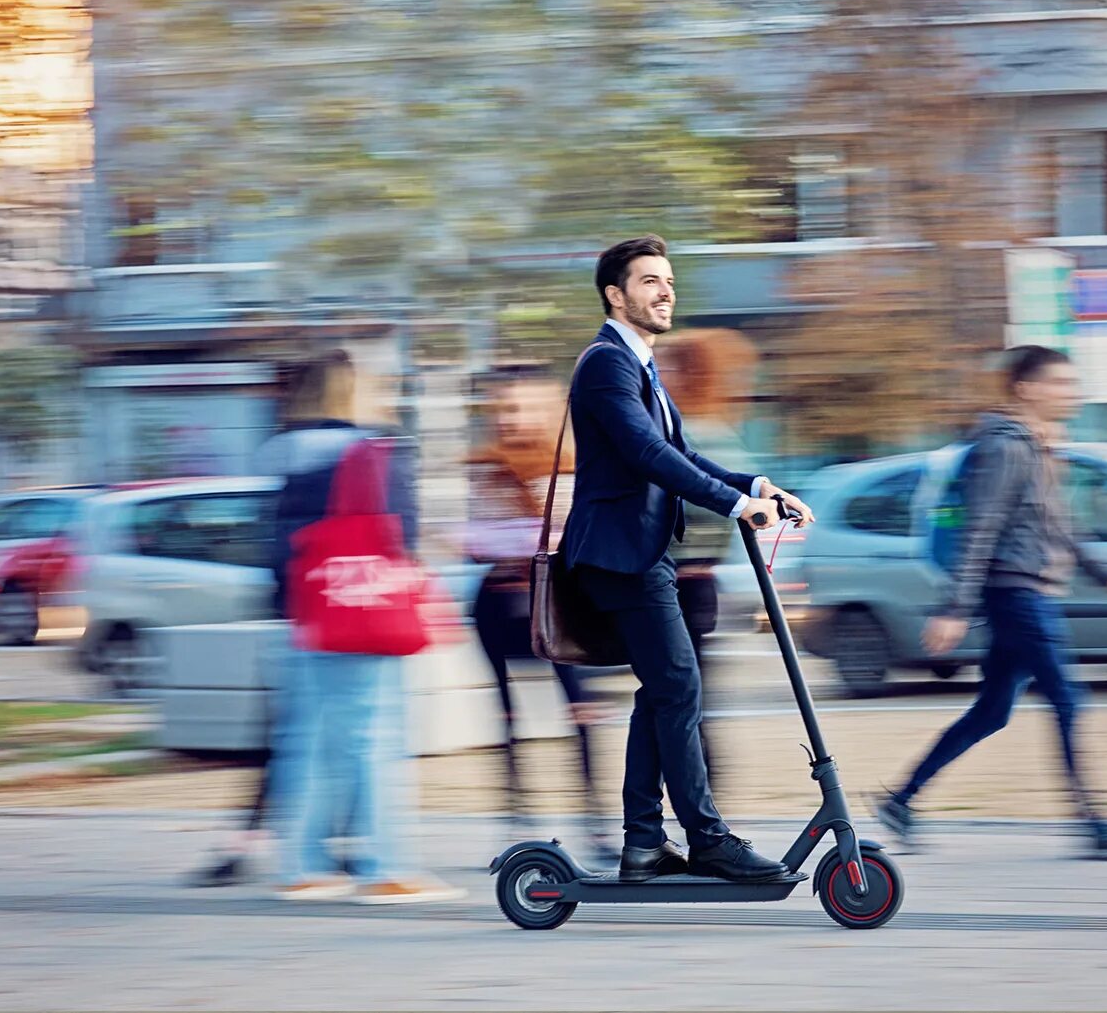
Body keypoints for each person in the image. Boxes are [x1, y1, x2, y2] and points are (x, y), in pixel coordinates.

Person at [561, 234, 815, 883]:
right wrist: (734, 509)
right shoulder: (605, 364)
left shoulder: (641, 367)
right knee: (679, 687)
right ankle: (705, 837)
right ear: (616, 294)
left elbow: (686, 454)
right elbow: (649, 455)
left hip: (644, 555)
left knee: (665, 689)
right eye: (650, 280)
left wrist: (759, 488)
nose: (665, 290)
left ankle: (645, 841)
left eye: (669, 280)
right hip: (619, 558)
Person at [873, 345, 1107, 860]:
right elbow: (980, 530)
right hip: (1016, 594)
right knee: (1068, 699)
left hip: (1025, 591)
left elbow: (1061, 527)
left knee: (992, 711)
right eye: (1061, 383)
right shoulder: (1004, 448)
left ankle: (901, 800)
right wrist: (953, 609)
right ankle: (1094, 823)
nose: (1073, 393)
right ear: (1027, 389)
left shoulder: (1038, 446)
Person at [260, 349, 460, 902]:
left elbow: (274, 548)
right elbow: (402, 536)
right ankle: (387, 866)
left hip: (309, 614)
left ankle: (302, 864)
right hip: (366, 613)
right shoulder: (375, 452)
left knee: (309, 742)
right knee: (376, 738)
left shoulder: (284, 454)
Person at [465, 372, 611, 857]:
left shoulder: (566, 465)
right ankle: (517, 823)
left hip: (554, 605)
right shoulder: (485, 467)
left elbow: (569, 539)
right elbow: (479, 540)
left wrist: (515, 535)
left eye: (520, 408)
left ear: (546, 412)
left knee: (581, 711)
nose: (510, 419)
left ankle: (597, 824)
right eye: (503, 409)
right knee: (506, 716)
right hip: (499, 605)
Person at [653, 328, 761, 778]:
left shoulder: (695, 434)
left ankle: (697, 784)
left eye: (676, 366)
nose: (666, 375)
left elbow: (701, 501)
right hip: (698, 584)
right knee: (688, 693)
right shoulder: (715, 432)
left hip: (681, 583)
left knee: (681, 695)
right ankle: (700, 783)